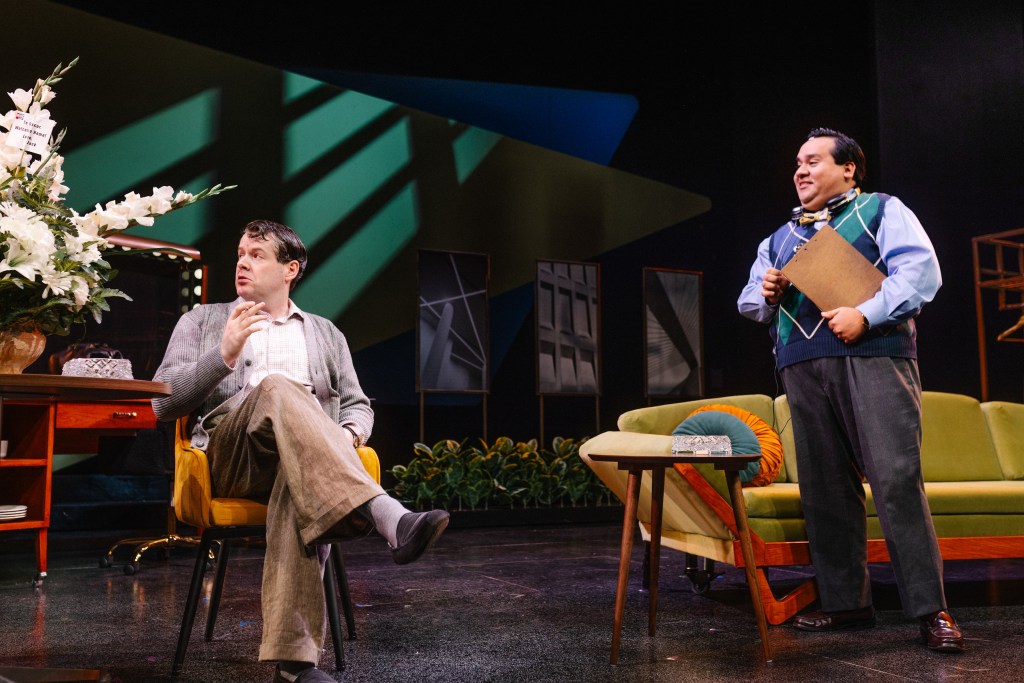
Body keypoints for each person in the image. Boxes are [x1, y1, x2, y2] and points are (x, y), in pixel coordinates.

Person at [153, 219, 450, 683]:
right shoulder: (202, 321)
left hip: (304, 463)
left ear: (290, 269)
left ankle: (294, 666)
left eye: (257, 255)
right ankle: (386, 514)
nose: (243, 263)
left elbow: (357, 405)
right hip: (232, 458)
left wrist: (345, 436)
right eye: (240, 254)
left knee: (298, 487)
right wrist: (224, 354)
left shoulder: (326, 334)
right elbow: (163, 403)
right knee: (277, 386)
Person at [737, 128, 964, 653]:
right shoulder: (778, 238)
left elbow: (921, 273)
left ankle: (931, 609)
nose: (801, 170)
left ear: (848, 168)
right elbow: (748, 301)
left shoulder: (881, 210)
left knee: (895, 481)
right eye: (798, 163)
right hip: (801, 366)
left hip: (874, 357)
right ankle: (846, 603)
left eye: (813, 160)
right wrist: (765, 292)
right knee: (824, 489)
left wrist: (866, 313)